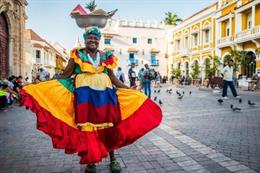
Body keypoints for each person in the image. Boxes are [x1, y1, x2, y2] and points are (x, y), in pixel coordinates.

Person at [20, 26, 162, 173]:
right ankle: (91, 161)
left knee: (109, 127)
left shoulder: (107, 56)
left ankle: (113, 159)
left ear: (99, 40)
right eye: (90, 38)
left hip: (106, 97)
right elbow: (65, 75)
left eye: (95, 38)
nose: (92, 40)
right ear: (85, 40)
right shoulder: (77, 55)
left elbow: (112, 78)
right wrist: (42, 85)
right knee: (88, 129)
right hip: (85, 99)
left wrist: (127, 88)